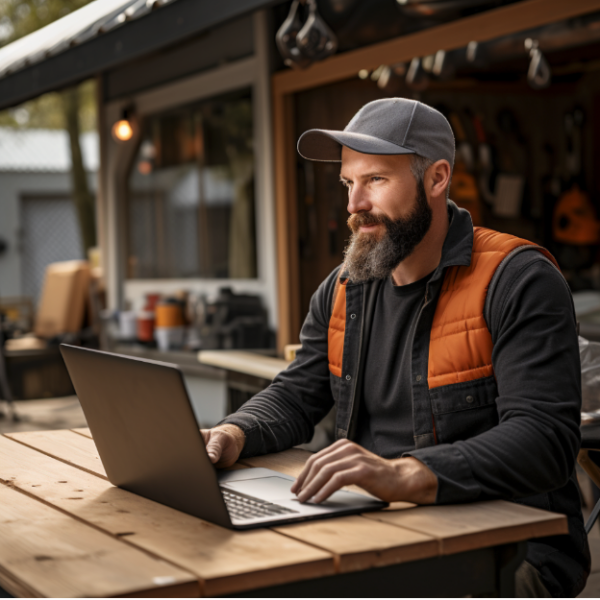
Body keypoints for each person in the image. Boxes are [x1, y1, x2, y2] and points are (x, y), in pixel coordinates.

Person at [201, 98, 590, 597]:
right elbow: (298, 394)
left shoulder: (518, 280)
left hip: (507, 552)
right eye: (348, 183)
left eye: (376, 181)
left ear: (437, 179)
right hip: (372, 530)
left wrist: (406, 474)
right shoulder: (346, 285)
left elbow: (545, 441)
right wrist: (236, 431)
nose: (353, 204)